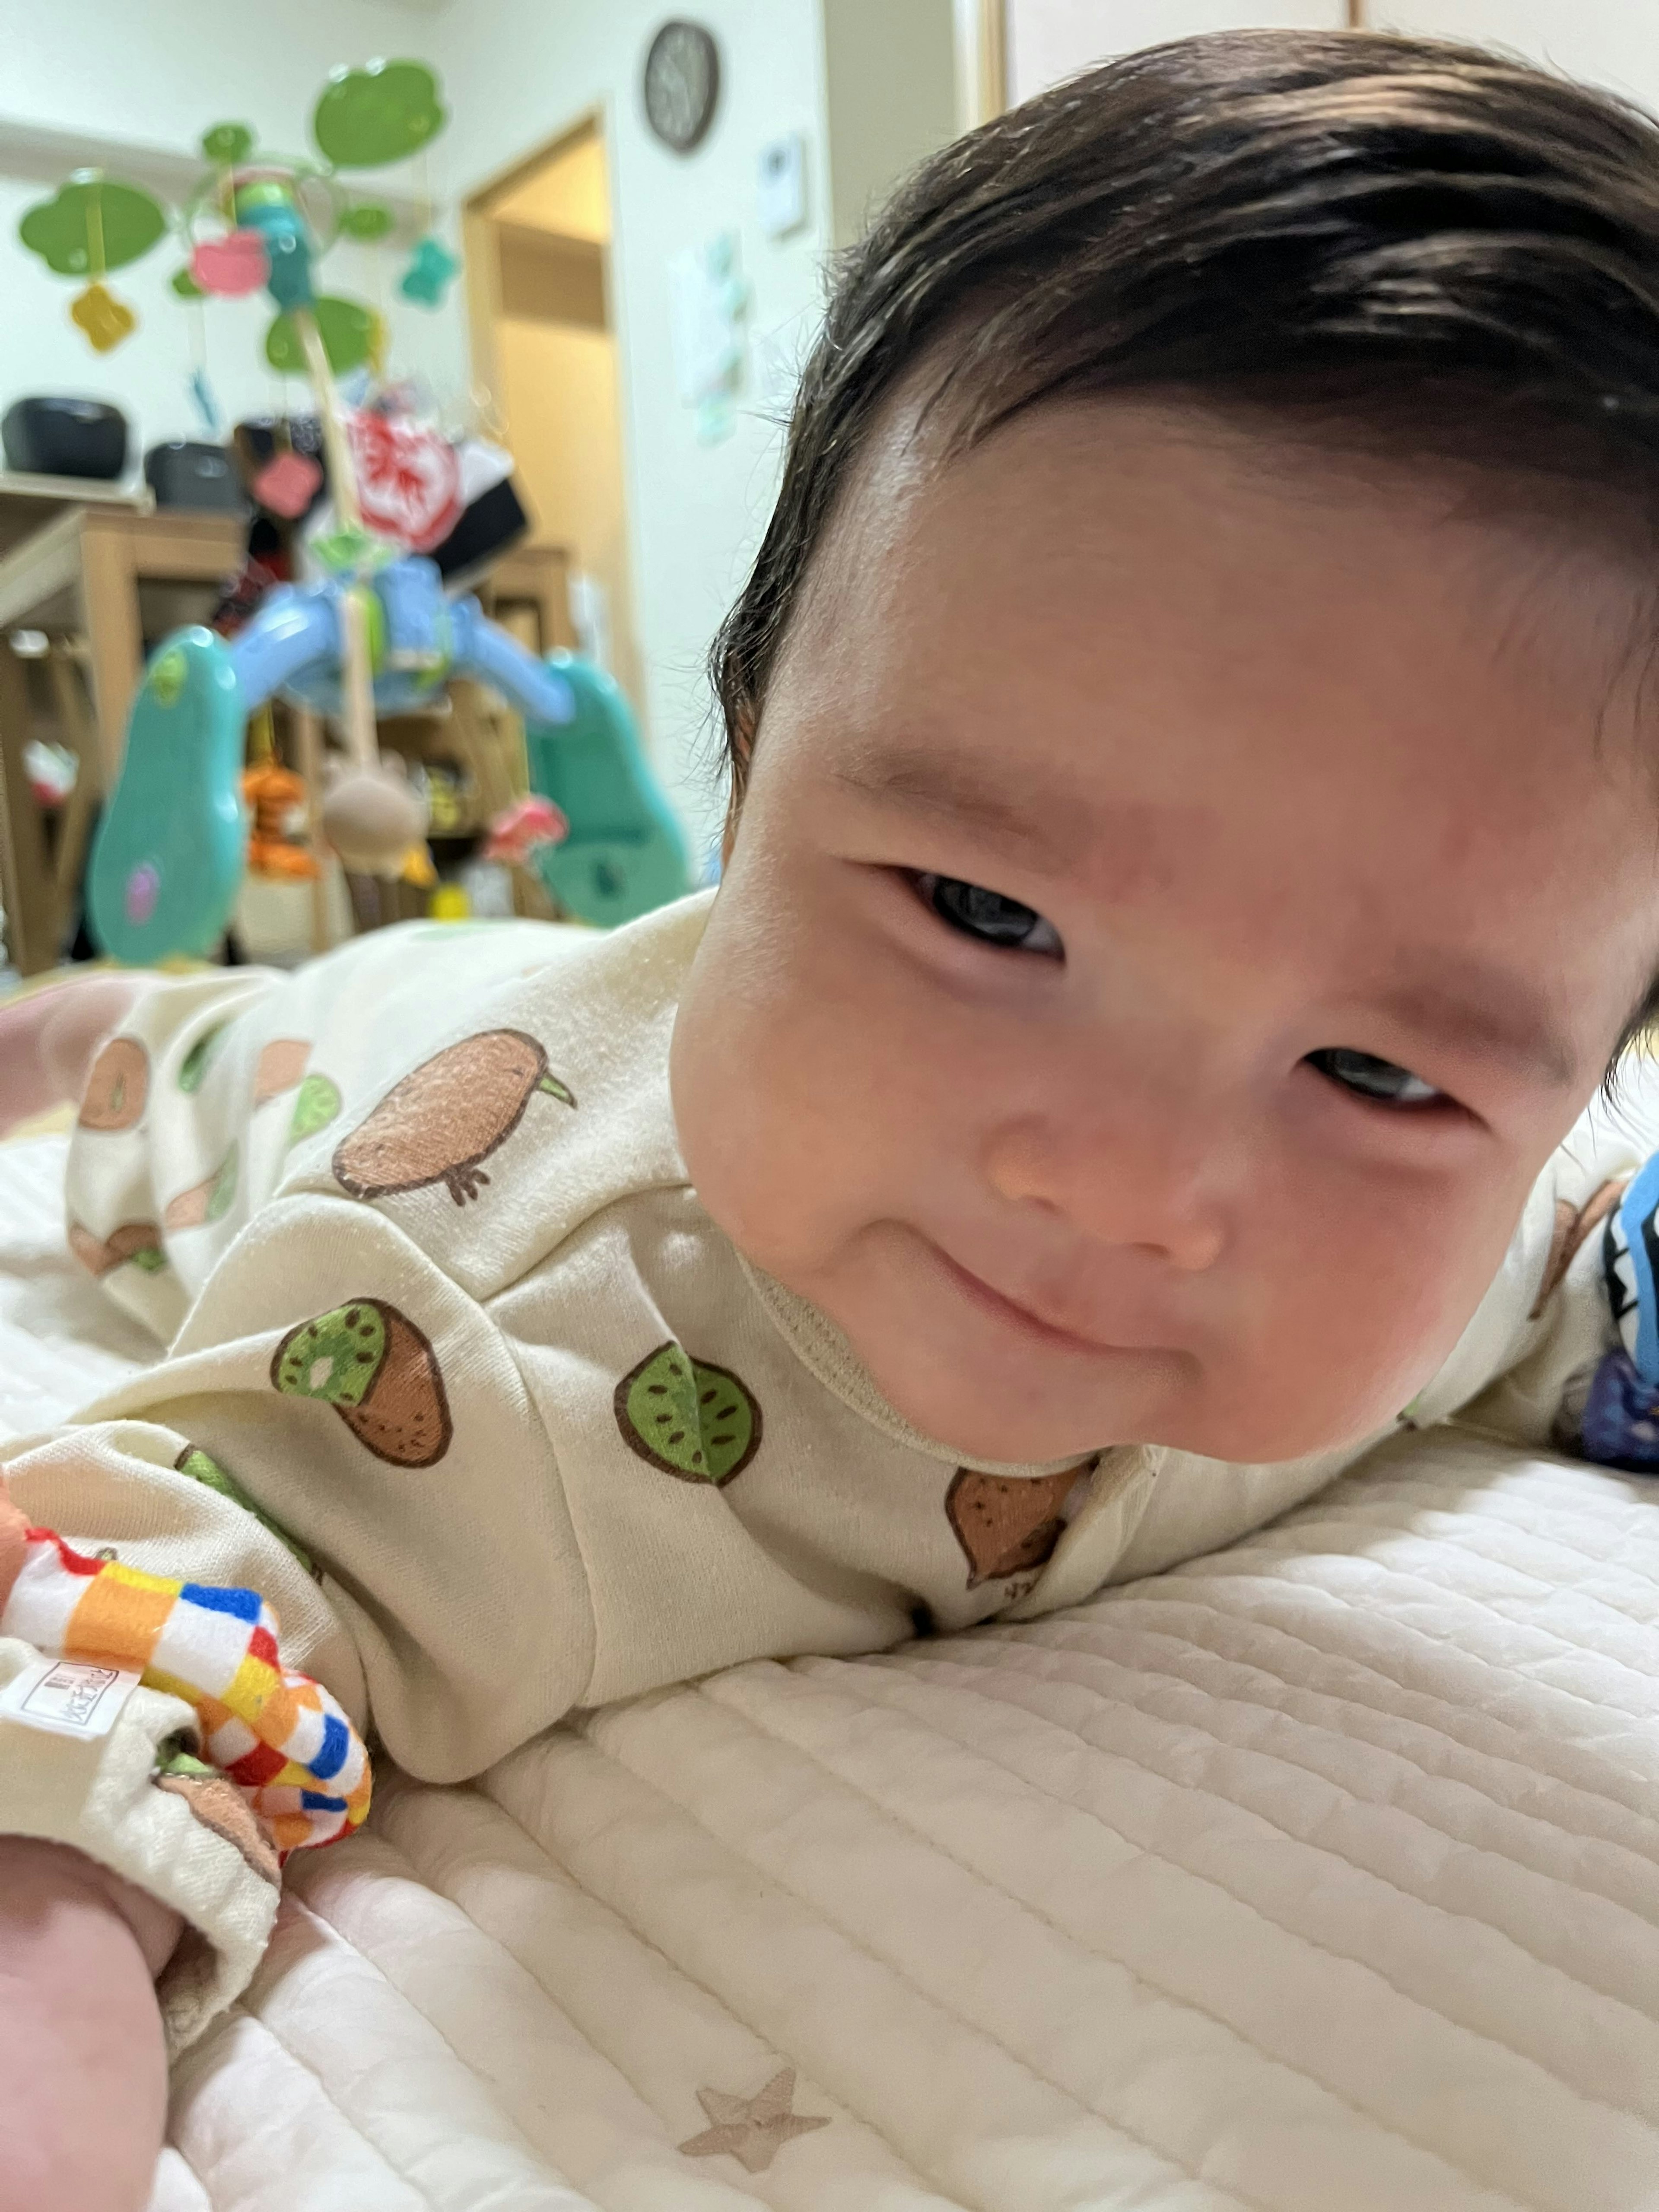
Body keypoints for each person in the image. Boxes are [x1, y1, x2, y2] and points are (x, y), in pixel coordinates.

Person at [8, 26, 1659, 2208]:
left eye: (1376, 1072)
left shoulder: (1473, 1229)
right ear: (750, 737)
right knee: (162, 1053)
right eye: (985, 910)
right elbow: (114, 1636)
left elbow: (1602, 1250)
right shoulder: (493, 1341)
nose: (1126, 1187)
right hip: (365, 1071)